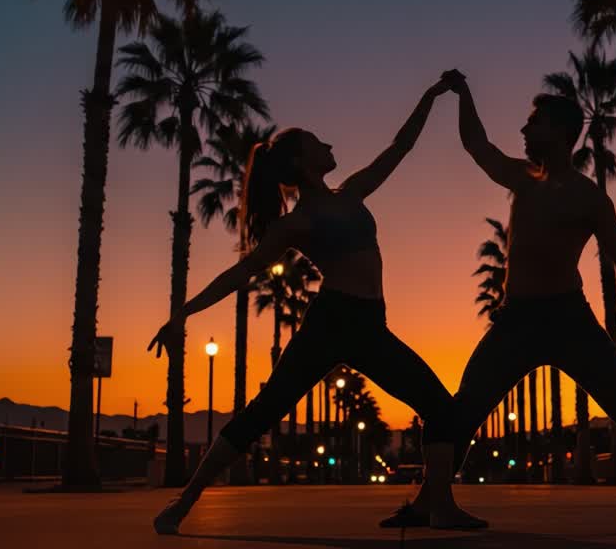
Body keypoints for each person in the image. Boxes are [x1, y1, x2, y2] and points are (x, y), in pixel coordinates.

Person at [148, 77, 484, 535]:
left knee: (440, 406)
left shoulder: (350, 193)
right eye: (316, 143)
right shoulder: (297, 223)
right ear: (303, 163)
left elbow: (399, 147)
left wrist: (429, 96)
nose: (328, 145)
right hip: (331, 322)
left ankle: (440, 505)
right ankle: (183, 502)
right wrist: (181, 315)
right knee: (265, 410)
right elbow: (239, 274)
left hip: (369, 325)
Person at [443, 69, 616, 530]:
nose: (524, 130)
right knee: (468, 403)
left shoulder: (587, 197)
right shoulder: (521, 178)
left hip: (570, 321)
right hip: (516, 320)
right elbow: (476, 145)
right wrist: (464, 92)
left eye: (534, 123)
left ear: (560, 132)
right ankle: (433, 497)